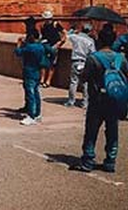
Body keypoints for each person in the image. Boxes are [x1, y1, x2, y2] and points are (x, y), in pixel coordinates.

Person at [71, 28, 128, 173]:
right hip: (114, 99)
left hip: (97, 100)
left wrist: (80, 72)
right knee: (112, 131)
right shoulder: (121, 59)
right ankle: (110, 161)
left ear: (100, 40)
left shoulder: (94, 58)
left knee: (91, 131)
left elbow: (84, 77)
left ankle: (88, 161)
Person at [15, 30, 55, 125]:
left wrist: (19, 43)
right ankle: (37, 114)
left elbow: (18, 52)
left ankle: (31, 115)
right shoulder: (41, 46)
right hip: (37, 72)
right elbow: (52, 51)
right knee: (36, 93)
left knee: (30, 94)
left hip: (29, 72)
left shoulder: (29, 47)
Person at [65, 24, 96, 108]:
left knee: (73, 82)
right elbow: (93, 53)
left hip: (75, 61)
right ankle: (85, 103)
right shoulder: (90, 41)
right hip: (85, 62)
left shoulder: (76, 37)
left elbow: (67, 35)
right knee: (85, 83)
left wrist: (73, 31)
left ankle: (71, 101)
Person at [40, 10, 66, 87]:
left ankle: (48, 81)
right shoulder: (43, 25)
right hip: (46, 45)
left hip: (54, 45)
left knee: (52, 64)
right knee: (43, 64)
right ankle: (42, 79)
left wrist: (60, 42)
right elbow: (43, 36)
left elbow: (64, 32)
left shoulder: (55, 24)